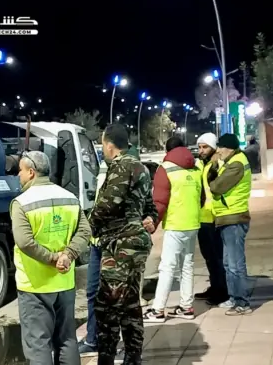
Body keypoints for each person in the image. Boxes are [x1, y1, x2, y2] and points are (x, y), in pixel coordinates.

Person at [10, 150, 91, 365]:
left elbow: (24, 242)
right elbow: (85, 231)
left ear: (31, 172)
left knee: (38, 344)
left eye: (20, 171)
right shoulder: (69, 197)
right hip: (64, 282)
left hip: (35, 285)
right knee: (66, 339)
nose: (18, 175)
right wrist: (68, 255)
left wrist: (53, 258)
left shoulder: (22, 202)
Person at [90, 124, 157, 365]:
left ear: (109, 145)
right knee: (129, 303)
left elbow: (108, 205)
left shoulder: (121, 166)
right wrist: (150, 219)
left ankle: (106, 358)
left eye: (102, 145)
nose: (102, 150)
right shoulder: (140, 167)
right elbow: (150, 207)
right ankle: (133, 357)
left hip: (121, 244)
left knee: (107, 305)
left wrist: (87, 228)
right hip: (135, 242)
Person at [144, 136, 202, 323]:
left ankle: (158, 310)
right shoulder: (196, 168)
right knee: (187, 266)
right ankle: (186, 307)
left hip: (176, 225)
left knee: (167, 267)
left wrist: (153, 223)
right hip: (193, 223)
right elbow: (201, 198)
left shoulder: (166, 168)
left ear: (168, 151)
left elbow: (160, 201)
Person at [207, 133, 253, 316]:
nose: (218, 151)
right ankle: (234, 298)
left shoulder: (236, 164)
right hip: (227, 217)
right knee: (228, 263)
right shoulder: (232, 161)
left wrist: (214, 167)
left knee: (235, 264)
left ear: (230, 148)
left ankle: (242, 303)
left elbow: (216, 187)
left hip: (234, 217)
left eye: (221, 147)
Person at [193, 133, 229, 306]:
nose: (201, 150)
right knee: (208, 256)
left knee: (217, 257)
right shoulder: (200, 164)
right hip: (202, 217)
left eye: (205, 147)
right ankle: (215, 286)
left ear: (214, 147)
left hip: (214, 217)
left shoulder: (218, 164)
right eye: (199, 147)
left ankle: (222, 291)